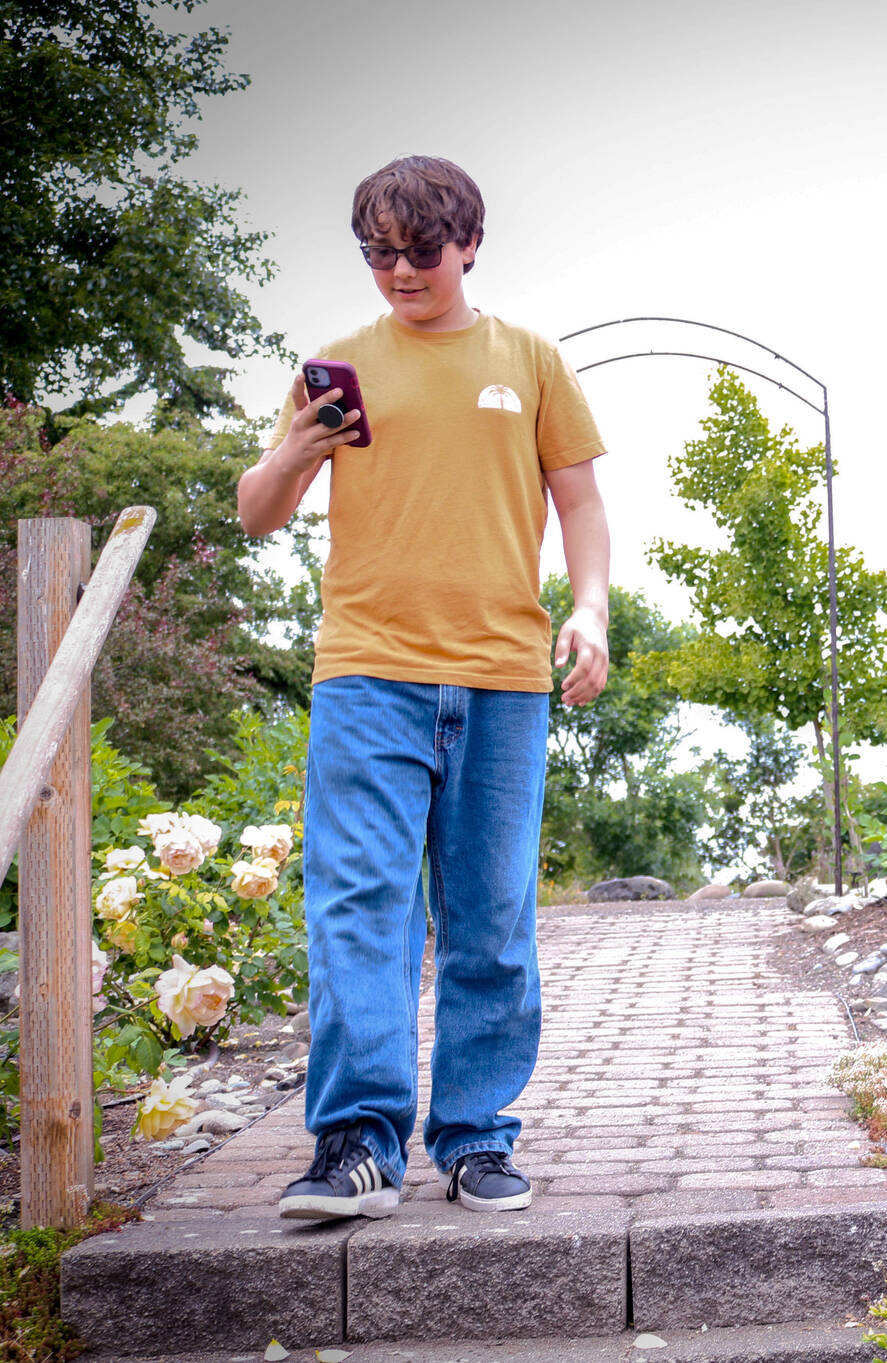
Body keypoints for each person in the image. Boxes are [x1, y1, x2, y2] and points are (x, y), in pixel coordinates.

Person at [237, 155, 611, 1219]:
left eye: (419, 251)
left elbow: (581, 507)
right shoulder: (334, 368)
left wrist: (586, 611)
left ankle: (476, 1136)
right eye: (377, 253)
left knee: (490, 917)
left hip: (501, 676)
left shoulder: (529, 361)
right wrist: (302, 446)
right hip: (366, 673)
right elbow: (257, 512)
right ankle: (356, 1141)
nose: (399, 271)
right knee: (358, 906)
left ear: (469, 243)